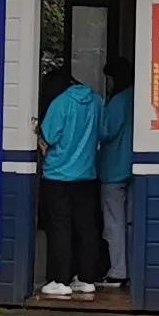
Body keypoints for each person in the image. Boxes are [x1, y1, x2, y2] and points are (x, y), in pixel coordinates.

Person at [37, 62, 106, 297]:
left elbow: (49, 135)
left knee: (60, 227)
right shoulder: (97, 101)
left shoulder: (60, 103)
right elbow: (103, 132)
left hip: (58, 175)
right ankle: (86, 278)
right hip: (87, 174)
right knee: (86, 227)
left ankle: (60, 279)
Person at [95, 66, 133, 301]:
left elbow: (106, 131)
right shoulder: (137, 96)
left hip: (114, 169)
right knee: (130, 222)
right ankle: (132, 268)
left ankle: (118, 271)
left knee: (113, 224)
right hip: (135, 167)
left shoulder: (118, 101)